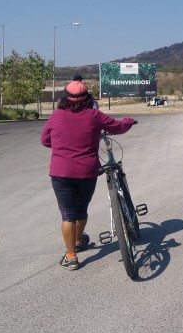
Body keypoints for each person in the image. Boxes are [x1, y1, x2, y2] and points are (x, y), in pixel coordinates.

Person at [41, 80, 137, 271]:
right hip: (87, 171)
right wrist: (129, 121)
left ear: (64, 98)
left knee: (67, 215)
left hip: (61, 172)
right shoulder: (94, 115)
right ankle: (79, 239)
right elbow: (118, 127)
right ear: (88, 98)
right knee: (81, 209)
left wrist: (62, 145)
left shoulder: (56, 116)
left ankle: (71, 256)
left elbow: (45, 140)